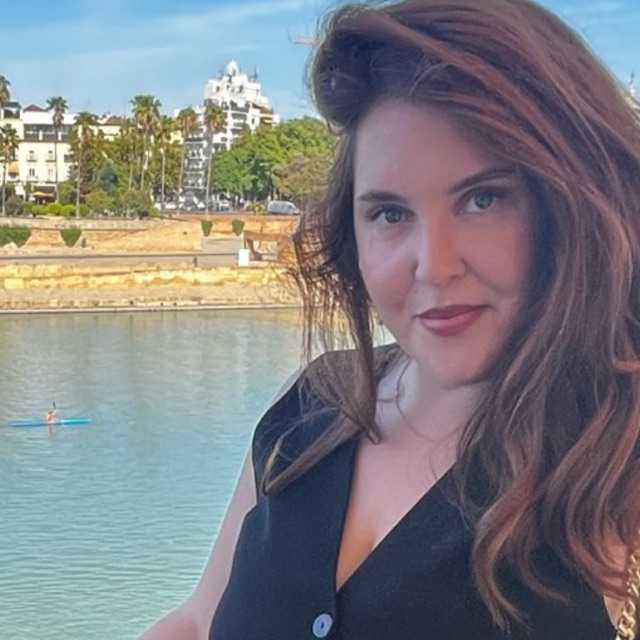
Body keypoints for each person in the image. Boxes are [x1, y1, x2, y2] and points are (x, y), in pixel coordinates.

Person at [142, 1, 640, 638]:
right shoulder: (312, 406)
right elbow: (197, 620)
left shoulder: (617, 461)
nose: (434, 266)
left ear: (573, 204)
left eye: (483, 199)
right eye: (390, 214)